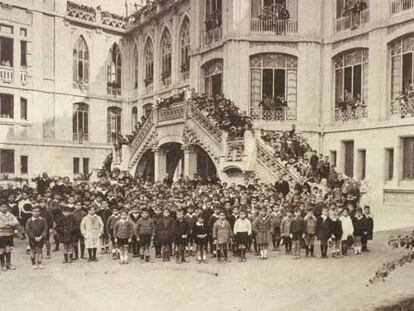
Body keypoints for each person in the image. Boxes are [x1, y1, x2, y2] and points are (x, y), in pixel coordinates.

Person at [0, 199, 19, 271]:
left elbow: (16, 222)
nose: (4, 208)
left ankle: (8, 263)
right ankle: (2, 264)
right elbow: (1, 225)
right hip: (1, 235)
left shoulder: (10, 214)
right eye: (2, 207)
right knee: (1, 250)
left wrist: (8, 224)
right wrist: (10, 224)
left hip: (9, 234)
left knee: (8, 249)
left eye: (5, 206)